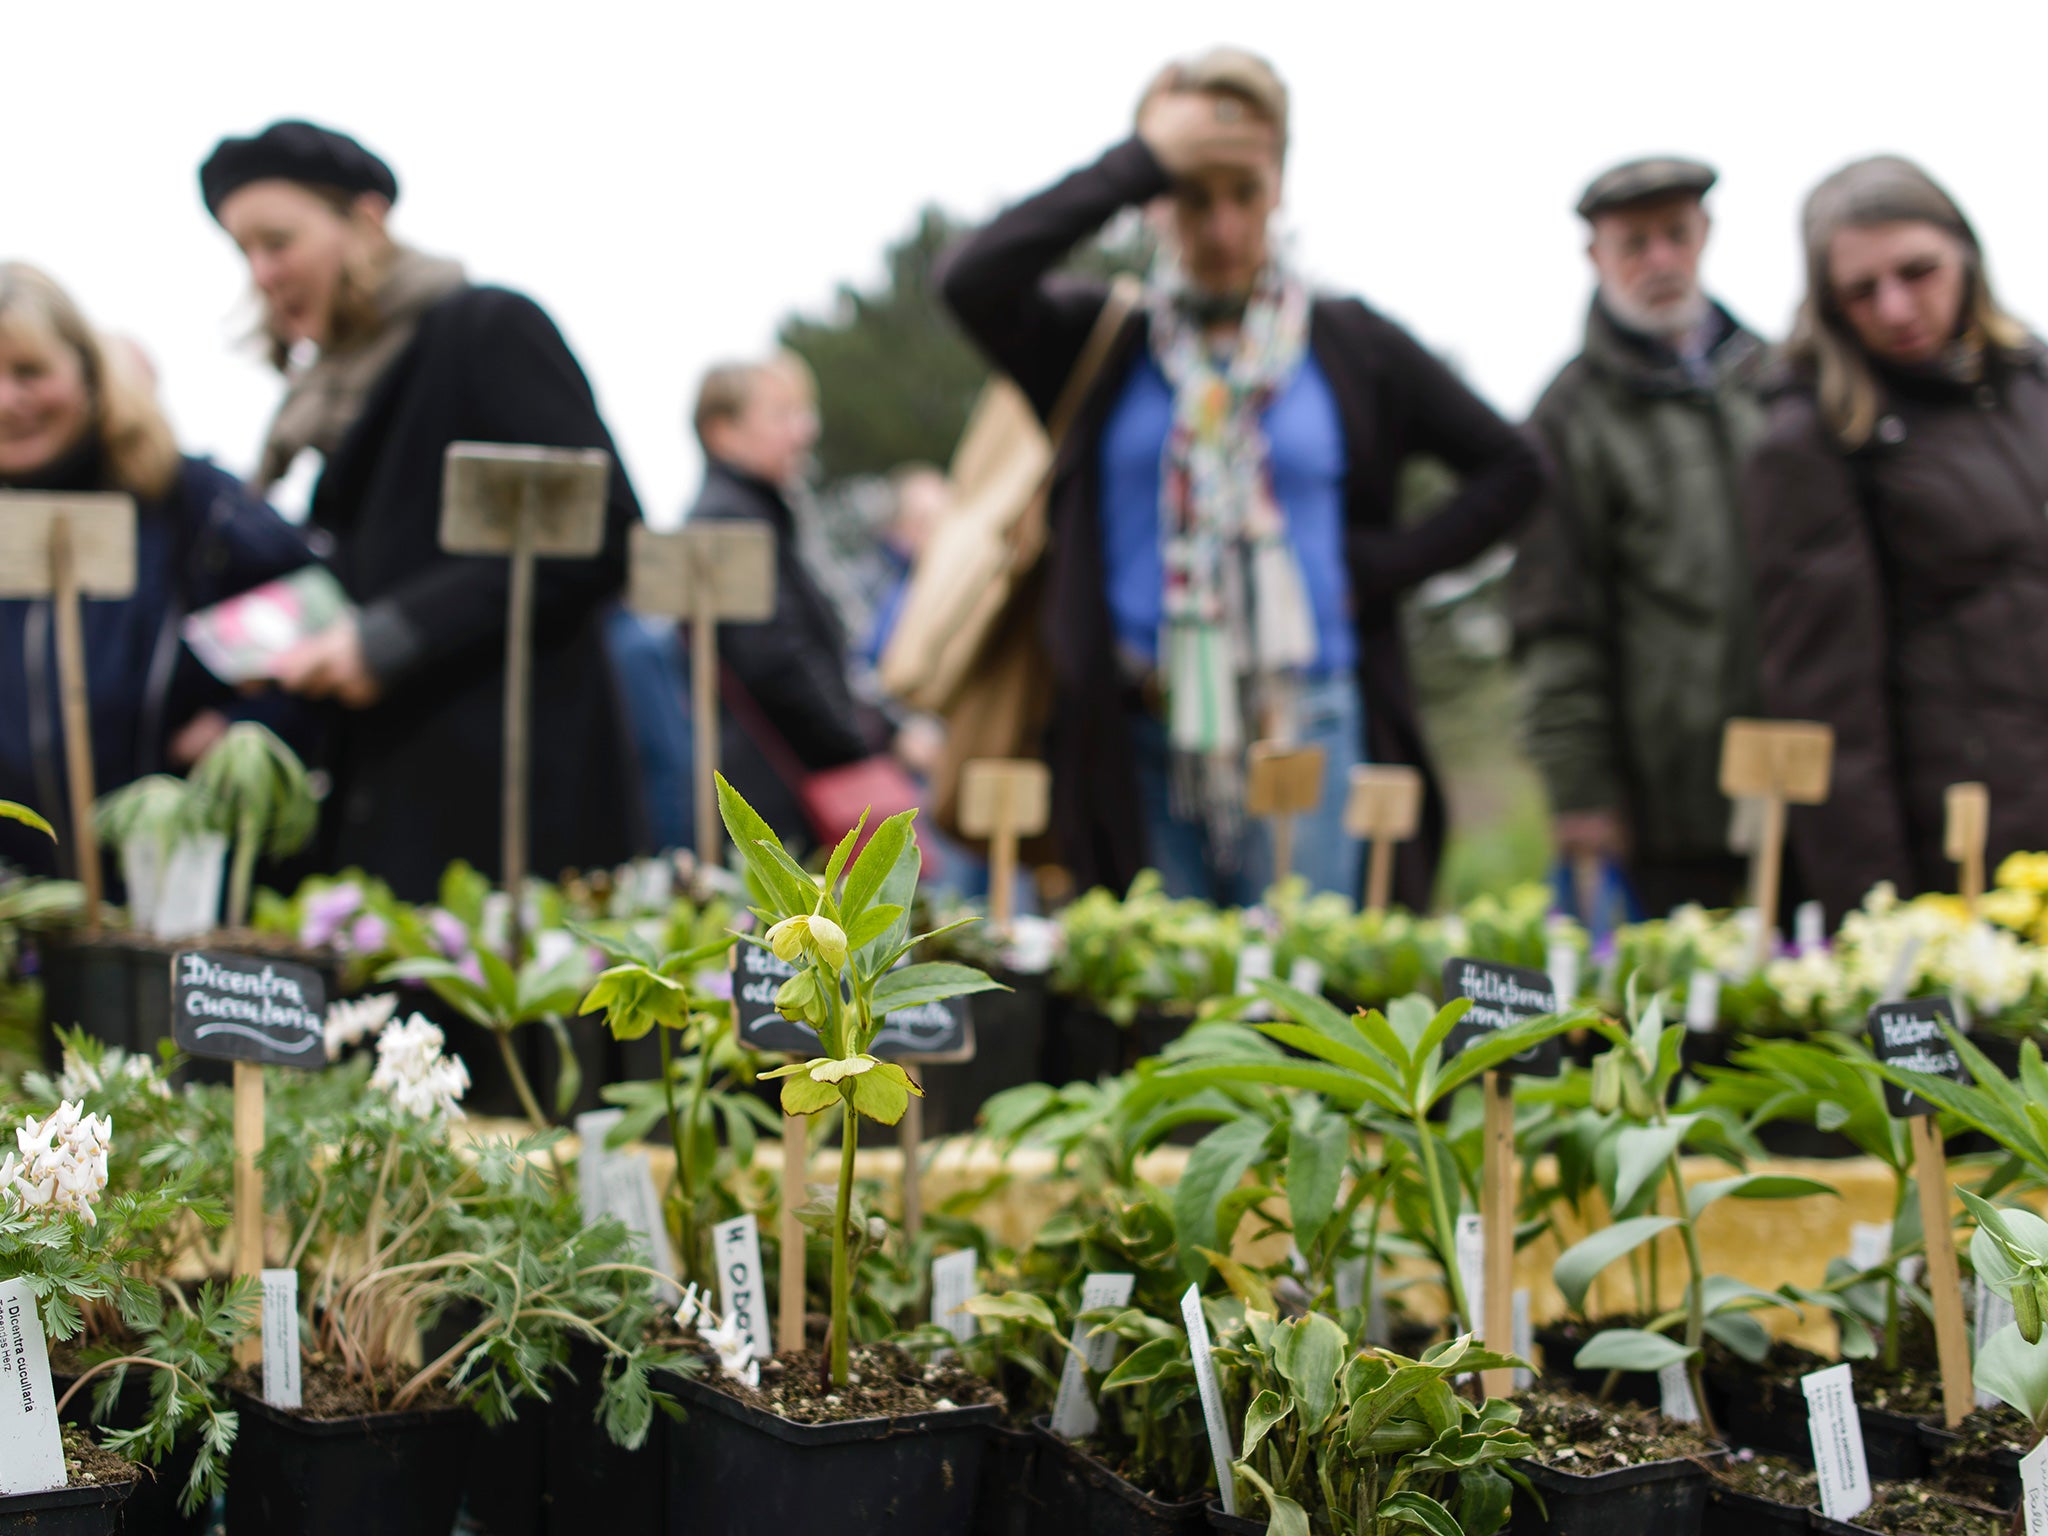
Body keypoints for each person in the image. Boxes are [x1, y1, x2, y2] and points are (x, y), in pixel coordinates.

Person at [939, 48, 1543, 907]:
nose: (1221, 229)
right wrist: (1140, 160)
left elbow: (1516, 469)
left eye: (1245, 194)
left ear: (1280, 188)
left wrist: (1370, 568)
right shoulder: (1102, 341)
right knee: (1164, 1004)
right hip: (1137, 733)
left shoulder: (1353, 345)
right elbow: (972, 278)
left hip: (1309, 724)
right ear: (1154, 203)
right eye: (1192, 196)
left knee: (1299, 997)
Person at [199, 119, 645, 900]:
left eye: (279, 241)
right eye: (245, 253)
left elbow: (602, 530)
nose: (263, 272)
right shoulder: (332, 394)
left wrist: (392, 638)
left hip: (515, 812)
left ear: (363, 221)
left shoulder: (486, 330)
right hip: (394, 806)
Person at [1744, 156, 2048, 920]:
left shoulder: (2028, 383)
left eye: (1919, 271)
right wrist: (1879, 917)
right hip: (1967, 851)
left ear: (1966, 255)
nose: (1897, 305)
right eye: (1862, 290)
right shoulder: (1812, 438)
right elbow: (1827, 708)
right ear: (1828, 303)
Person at [1509, 158, 1770, 919]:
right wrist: (1581, 793)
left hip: (1804, 791)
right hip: (1665, 812)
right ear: (1596, 255)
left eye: (1674, 235)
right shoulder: (1568, 417)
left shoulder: (1779, 380)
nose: (1659, 260)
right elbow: (1552, 625)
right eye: (1634, 243)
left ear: (1705, 236)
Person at [0, 263, 314, 876]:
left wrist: (243, 724)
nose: (7, 401)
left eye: (30, 372)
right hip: (18, 898)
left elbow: (310, 621)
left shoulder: (186, 502)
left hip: (177, 878)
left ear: (88, 372)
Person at [686, 353, 872, 853]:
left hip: (778, 783)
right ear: (721, 432)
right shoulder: (730, 522)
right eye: (782, 414)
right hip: (771, 798)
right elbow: (774, 662)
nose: (804, 432)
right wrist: (862, 748)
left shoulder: (758, 514)